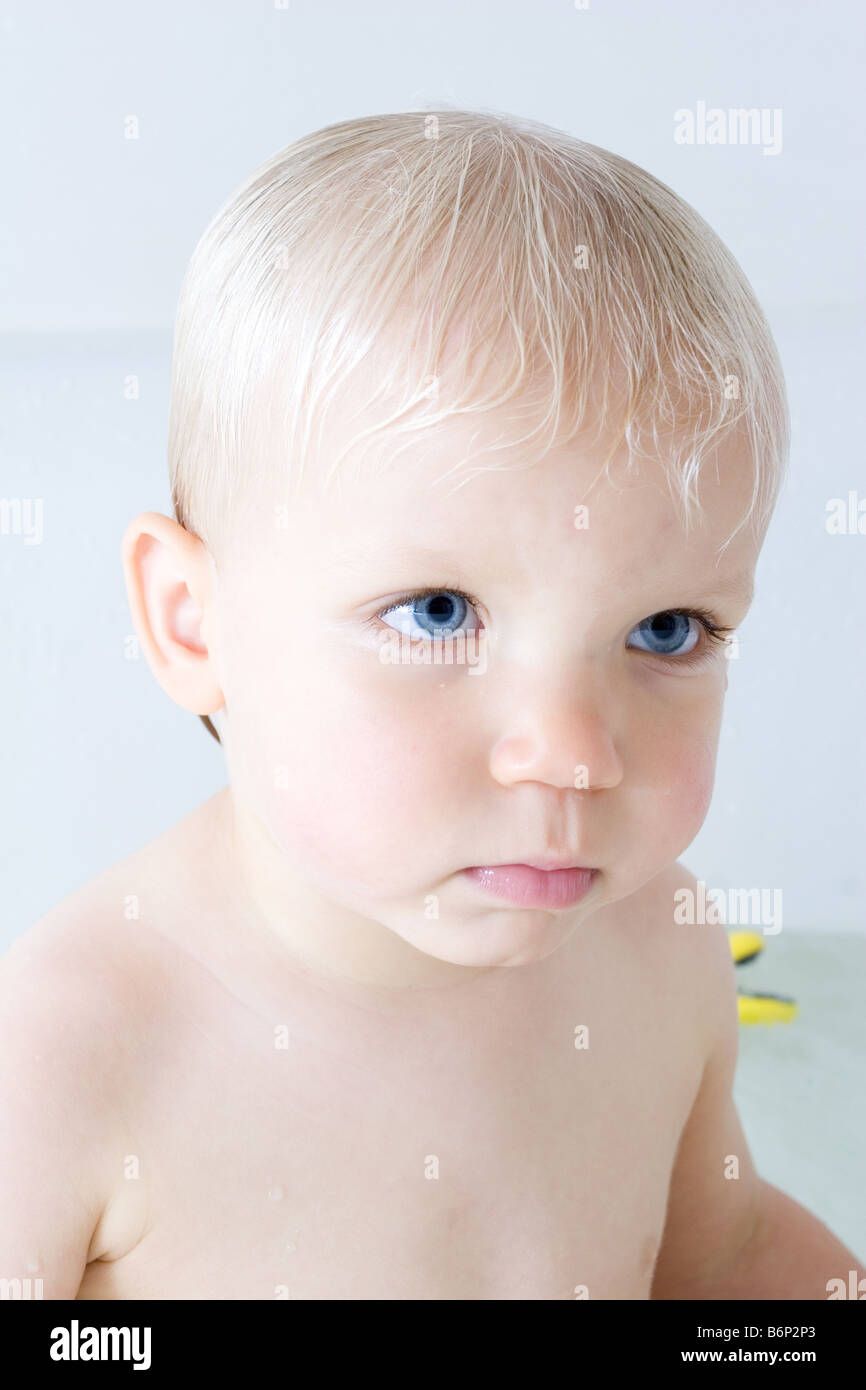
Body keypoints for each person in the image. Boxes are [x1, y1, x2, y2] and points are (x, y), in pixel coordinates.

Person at [2, 109, 860, 1299]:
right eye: (438, 613)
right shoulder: (68, 1054)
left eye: (664, 631)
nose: (569, 756)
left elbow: (724, 1258)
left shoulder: (657, 947)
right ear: (193, 622)